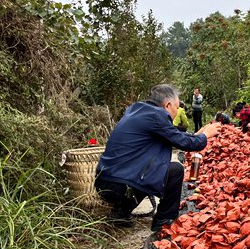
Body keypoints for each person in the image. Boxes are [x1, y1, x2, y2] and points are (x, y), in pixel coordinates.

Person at [95, 84, 221, 231]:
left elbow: (176, 136)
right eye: (177, 106)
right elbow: (185, 143)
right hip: (121, 186)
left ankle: (120, 212)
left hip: (105, 181)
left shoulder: (138, 111)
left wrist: (198, 135)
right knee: (174, 170)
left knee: (147, 169)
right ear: (167, 105)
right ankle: (164, 221)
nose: (178, 110)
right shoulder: (157, 116)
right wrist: (206, 135)